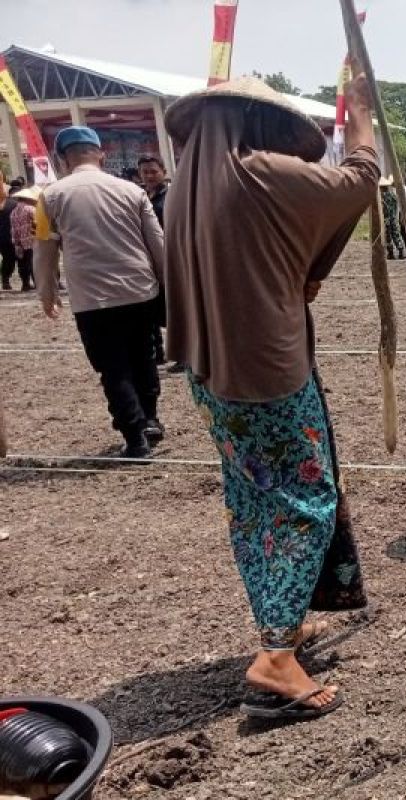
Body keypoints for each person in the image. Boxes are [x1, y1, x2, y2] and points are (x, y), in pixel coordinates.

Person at [163, 72, 377, 720]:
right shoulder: (258, 174)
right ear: (253, 126)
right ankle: (276, 663)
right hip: (267, 376)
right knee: (306, 500)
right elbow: (360, 179)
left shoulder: (185, 189)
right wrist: (361, 115)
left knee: (255, 499)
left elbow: (279, 248)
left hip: (213, 377)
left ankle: (279, 623)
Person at [34, 126, 165, 458]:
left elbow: (44, 251)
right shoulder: (132, 191)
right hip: (139, 290)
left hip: (91, 298)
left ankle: (135, 436)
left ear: (63, 159)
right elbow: (157, 243)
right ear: (100, 153)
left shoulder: (49, 197)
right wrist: (168, 283)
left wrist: (47, 294)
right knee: (144, 356)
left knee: (113, 366)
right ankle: (150, 418)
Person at [138, 155, 170, 365]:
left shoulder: (170, 197)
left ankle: (185, 355)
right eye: (144, 172)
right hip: (147, 263)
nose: (149, 175)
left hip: (170, 261)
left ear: (163, 172)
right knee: (152, 309)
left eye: (153, 171)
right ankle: (157, 352)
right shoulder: (142, 196)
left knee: (174, 311)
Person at [9, 187, 39, 292]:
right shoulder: (31, 209)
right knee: (34, 262)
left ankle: (25, 284)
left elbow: (13, 229)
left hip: (21, 242)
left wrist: (16, 242)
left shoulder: (13, 212)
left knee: (23, 264)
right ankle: (37, 283)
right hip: (32, 240)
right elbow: (37, 223)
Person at [0, 177, 25, 290]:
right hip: (20, 237)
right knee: (23, 260)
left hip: (3, 237)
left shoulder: (3, 204)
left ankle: (5, 280)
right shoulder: (21, 204)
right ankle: (25, 283)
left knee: (7, 259)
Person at [379, 177, 406, 259]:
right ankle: (401, 251)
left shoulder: (380, 197)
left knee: (388, 236)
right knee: (396, 234)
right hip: (393, 217)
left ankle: (391, 253)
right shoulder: (393, 195)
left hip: (386, 219)